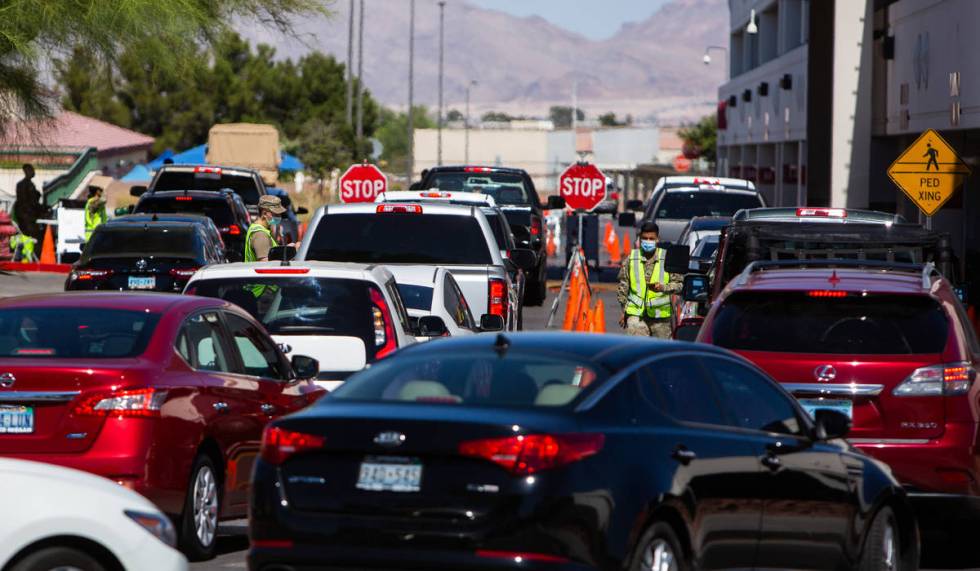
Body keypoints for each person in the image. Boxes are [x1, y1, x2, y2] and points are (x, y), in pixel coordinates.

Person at [616, 222, 682, 339]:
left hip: (660, 318)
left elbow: (680, 285)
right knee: (638, 349)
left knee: (660, 352)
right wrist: (624, 311)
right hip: (636, 317)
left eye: (651, 238)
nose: (648, 241)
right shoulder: (632, 258)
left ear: (657, 239)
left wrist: (663, 288)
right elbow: (623, 286)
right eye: (645, 238)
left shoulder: (667, 258)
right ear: (640, 239)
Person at [245, 195, 296, 262]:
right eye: (276, 214)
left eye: (280, 214)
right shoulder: (260, 235)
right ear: (264, 214)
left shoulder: (261, 228)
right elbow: (265, 264)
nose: (279, 217)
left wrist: (286, 250)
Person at [13, 164, 42, 242]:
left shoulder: (30, 184)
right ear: (26, 171)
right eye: (31, 170)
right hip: (26, 215)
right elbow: (24, 201)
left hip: (29, 213)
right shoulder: (22, 185)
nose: (33, 172)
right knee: (28, 235)